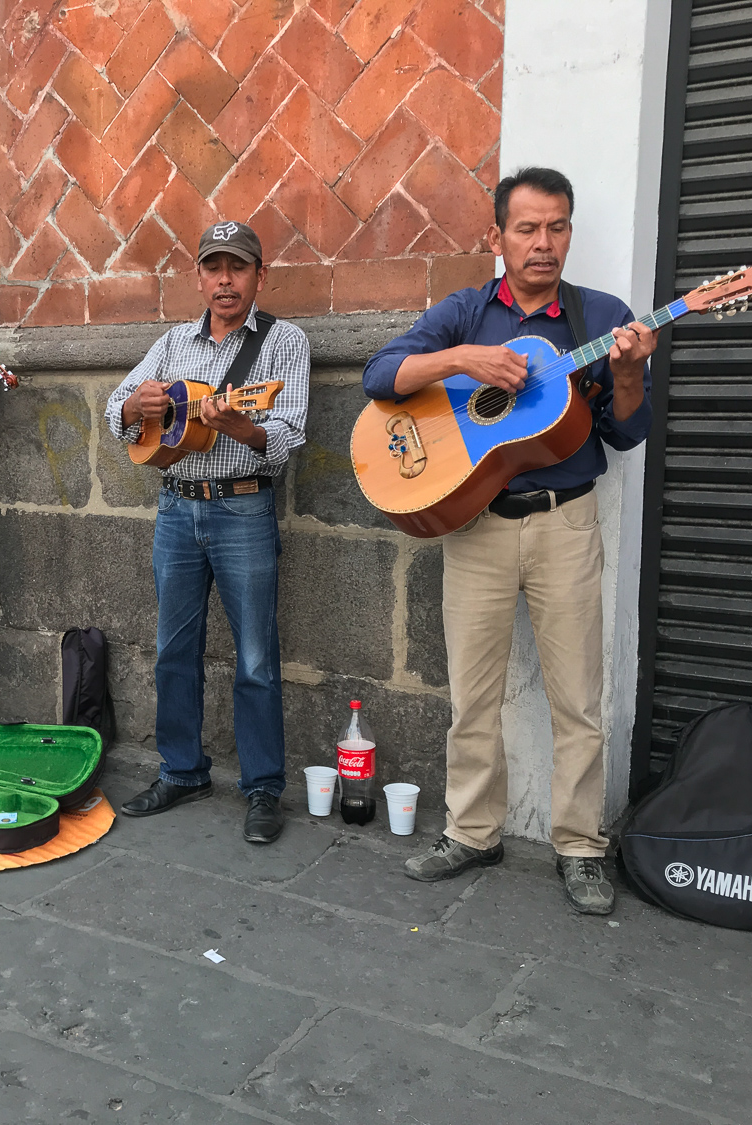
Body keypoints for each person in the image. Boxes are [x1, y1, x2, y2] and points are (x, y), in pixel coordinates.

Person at [362, 167, 658, 914]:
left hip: (566, 522)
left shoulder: (601, 316)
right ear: (495, 237)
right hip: (478, 526)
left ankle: (581, 845)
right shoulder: (465, 312)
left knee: (577, 698)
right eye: (526, 228)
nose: (543, 243)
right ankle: (472, 830)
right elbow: (381, 374)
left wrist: (628, 374)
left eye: (557, 227)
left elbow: (627, 431)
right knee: (474, 695)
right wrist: (463, 360)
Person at [105, 221, 310, 845]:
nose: (226, 280)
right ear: (199, 277)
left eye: (238, 268)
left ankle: (263, 788)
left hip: (243, 510)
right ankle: (183, 769)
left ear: (259, 276)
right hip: (176, 509)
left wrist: (239, 427)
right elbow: (117, 411)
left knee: (255, 656)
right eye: (214, 268)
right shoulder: (172, 343)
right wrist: (136, 408)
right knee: (174, 651)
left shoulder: (284, 343)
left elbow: (288, 433)